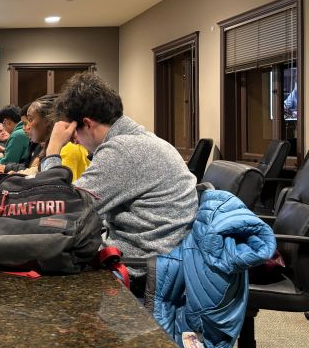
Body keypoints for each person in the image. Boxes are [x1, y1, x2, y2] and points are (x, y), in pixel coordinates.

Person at [40, 72, 197, 289]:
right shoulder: (140, 139)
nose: (75, 143)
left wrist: (53, 151)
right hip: (160, 259)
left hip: (137, 269)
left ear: (87, 124)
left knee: (37, 277)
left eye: (74, 136)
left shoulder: (122, 150)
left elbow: (58, 207)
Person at [0, 95, 90, 179]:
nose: (27, 127)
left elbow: (58, 189)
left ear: (48, 120)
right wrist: (18, 175)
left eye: (30, 119)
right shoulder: (48, 147)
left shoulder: (69, 149)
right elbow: (40, 171)